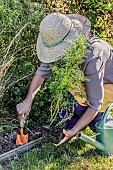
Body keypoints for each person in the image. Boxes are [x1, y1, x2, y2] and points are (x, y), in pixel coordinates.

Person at [16, 13, 113, 146]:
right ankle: (72, 121)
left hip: (107, 84)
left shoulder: (93, 56)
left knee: (91, 117)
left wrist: (74, 131)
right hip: (85, 81)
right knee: (66, 118)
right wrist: (27, 102)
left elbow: (95, 103)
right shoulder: (58, 39)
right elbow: (42, 72)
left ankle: (102, 123)